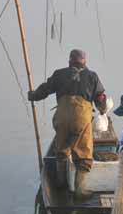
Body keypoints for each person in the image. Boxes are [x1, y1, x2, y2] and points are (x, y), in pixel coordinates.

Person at [28, 49, 107, 201]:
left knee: (62, 150)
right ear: (85, 62)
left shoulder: (59, 74)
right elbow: (100, 99)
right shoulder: (92, 76)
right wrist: (103, 109)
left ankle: (60, 185)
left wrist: (32, 95)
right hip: (81, 118)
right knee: (83, 154)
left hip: (62, 118)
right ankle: (80, 191)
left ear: (69, 62)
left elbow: (44, 90)